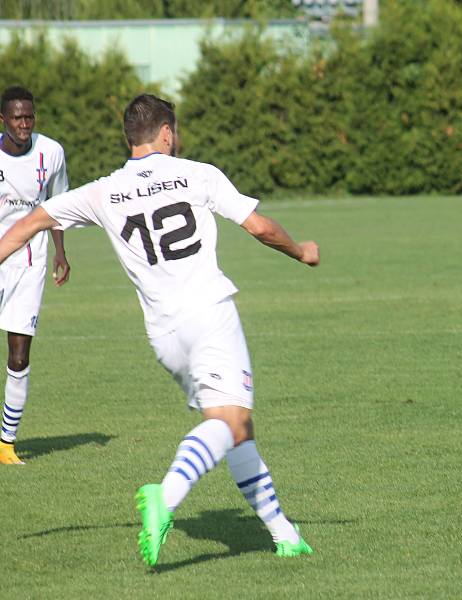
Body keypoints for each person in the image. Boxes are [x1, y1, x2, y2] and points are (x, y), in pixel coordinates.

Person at [0, 94, 319, 564]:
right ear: (166, 133)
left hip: (164, 336)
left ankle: (284, 533)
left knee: (238, 427)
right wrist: (301, 250)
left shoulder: (102, 191)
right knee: (227, 421)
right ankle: (164, 496)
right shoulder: (197, 173)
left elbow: (28, 224)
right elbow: (259, 228)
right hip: (209, 314)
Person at [0, 86, 70, 465]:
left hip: (30, 262)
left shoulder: (52, 152)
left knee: (20, 353)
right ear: (3, 120)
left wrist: (60, 250)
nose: (24, 124)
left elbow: (58, 206)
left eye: (29, 117)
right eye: (17, 118)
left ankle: (5, 444)